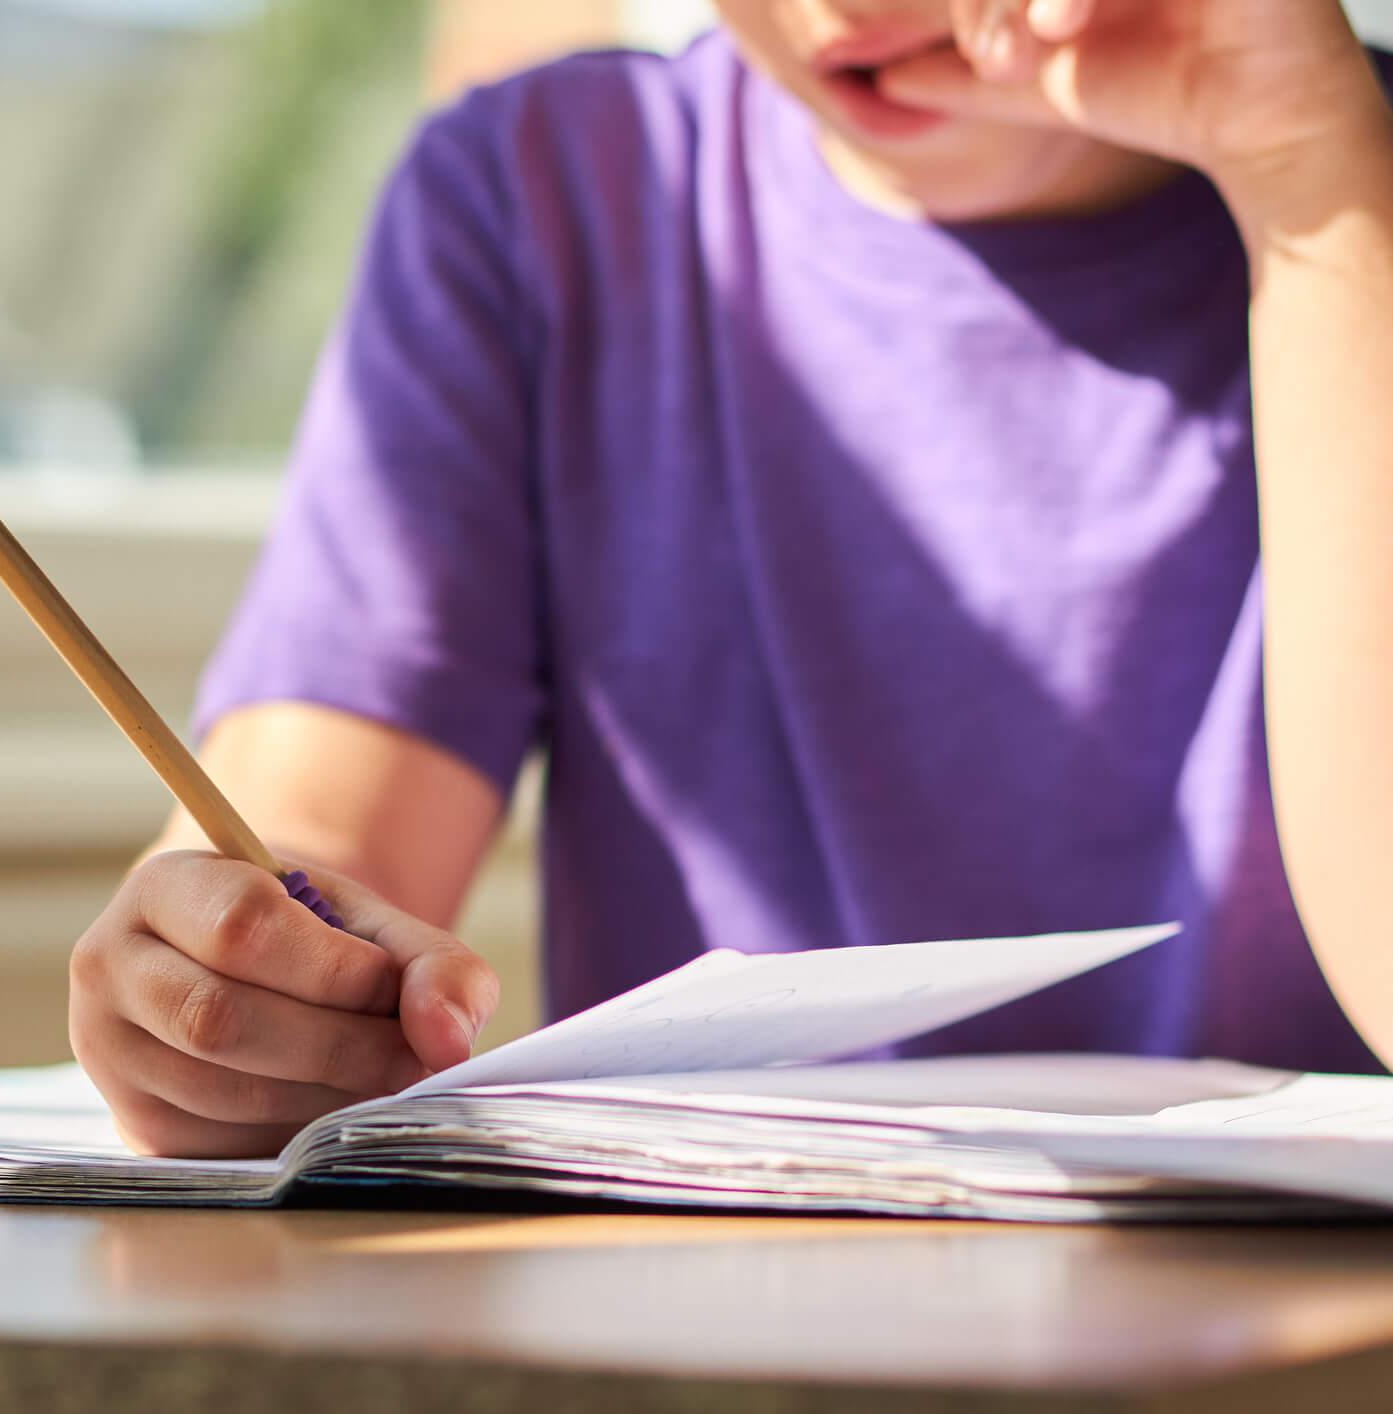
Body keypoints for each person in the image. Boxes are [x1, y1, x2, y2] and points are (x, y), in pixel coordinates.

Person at [68, 0, 1393, 1158]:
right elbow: (313, 842)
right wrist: (230, 982)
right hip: (719, 1319)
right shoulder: (544, 203)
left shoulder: (1353, 184)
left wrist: (1309, 172)